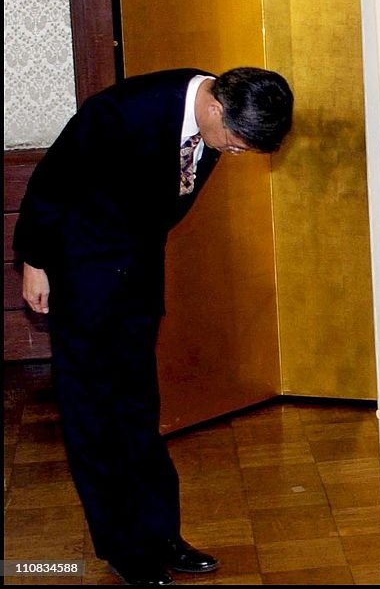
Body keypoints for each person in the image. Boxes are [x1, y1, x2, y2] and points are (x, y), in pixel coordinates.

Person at [14, 67, 293, 585]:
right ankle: (124, 548)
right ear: (214, 110)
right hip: (82, 273)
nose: (234, 154)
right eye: (234, 145)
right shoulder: (122, 111)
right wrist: (35, 261)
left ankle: (161, 533)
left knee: (139, 412)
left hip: (136, 277)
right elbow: (54, 179)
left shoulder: (218, 113)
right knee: (93, 417)